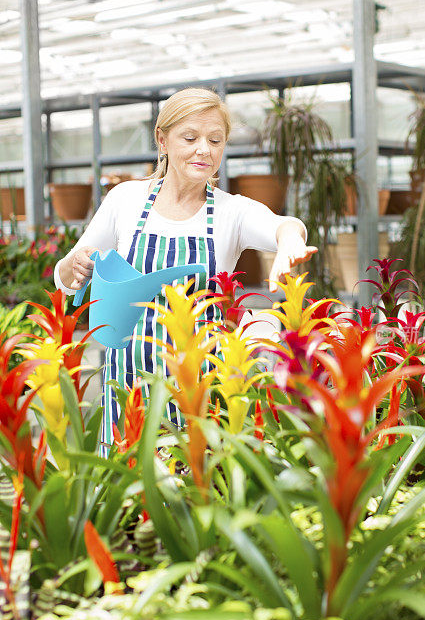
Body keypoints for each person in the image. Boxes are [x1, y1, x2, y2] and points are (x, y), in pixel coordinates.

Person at [54, 87, 316, 449]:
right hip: (126, 383)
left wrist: (290, 242)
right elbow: (67, 278)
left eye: (215, 140)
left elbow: (285, 225)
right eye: (190, 137)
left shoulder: (230, 211)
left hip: (200, 389)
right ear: (162, 140)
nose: (204, 150)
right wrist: (75, 264)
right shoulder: (126, 200)